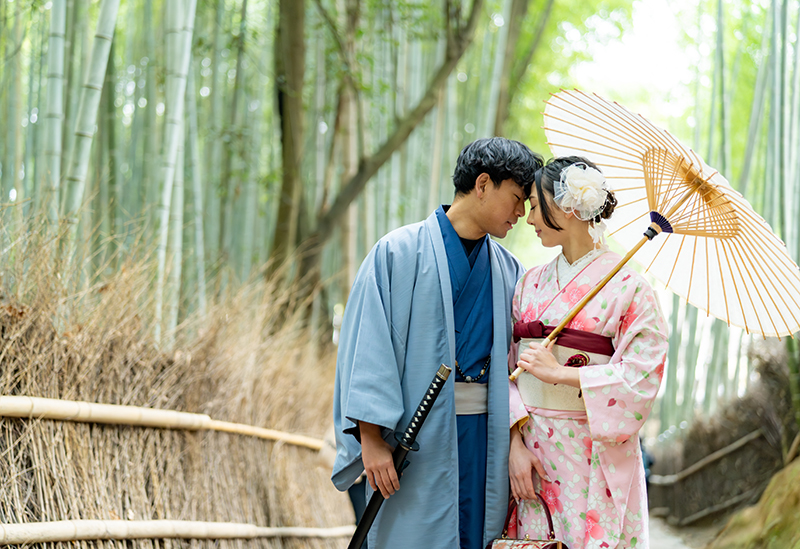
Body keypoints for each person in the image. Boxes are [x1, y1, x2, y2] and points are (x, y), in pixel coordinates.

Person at [332, 138, 544, 549]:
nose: (522, 212)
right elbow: (368, 348)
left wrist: (517, 441)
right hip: (416, 437)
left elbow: (516, 367)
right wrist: (372, 440)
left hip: (487, 438)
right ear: (483, 184)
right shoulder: (396, 253)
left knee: (479, 536)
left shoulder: (509, 269)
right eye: (517, 198)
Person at [508, 156, 668, 549]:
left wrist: (561, 373)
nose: (529, 219)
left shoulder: (631, 286)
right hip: (533, 451)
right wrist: (514, 444)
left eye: (534, 206)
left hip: (593, 452)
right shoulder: (529, 283)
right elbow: (506, 369)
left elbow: (642, 377)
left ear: (568, 205)